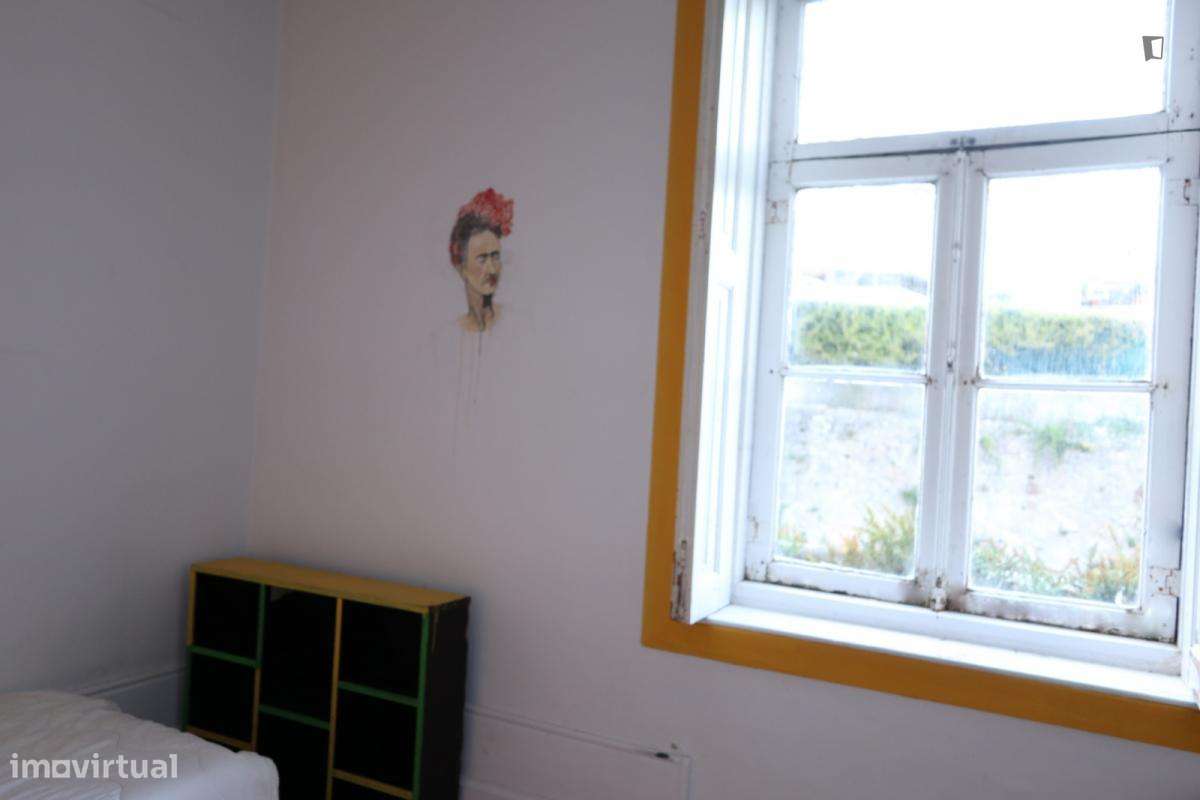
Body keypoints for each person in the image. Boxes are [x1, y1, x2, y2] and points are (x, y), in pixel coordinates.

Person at [448, 188, 514, 331]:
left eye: (495, 256)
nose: (492, 269)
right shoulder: (449, 334)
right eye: (482, 259)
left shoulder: (516, 323)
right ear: (461, 268)